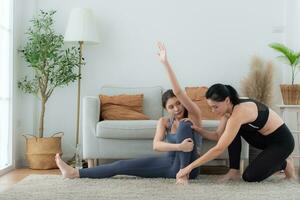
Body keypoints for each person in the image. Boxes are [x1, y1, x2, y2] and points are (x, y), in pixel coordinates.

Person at [55, 43, 203, 184]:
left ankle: (184, 175)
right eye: (171, 107)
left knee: (185, 125)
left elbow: (178, 91)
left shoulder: (193, 115)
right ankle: (74, 173)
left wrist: (165, 63)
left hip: (191, 168)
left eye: (178, 103)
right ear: (166, 109)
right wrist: (179, 147)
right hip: (169, 165)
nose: (176, 108)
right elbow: (156, 145)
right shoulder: (164, 122)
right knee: (121, 165)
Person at [176, 83, 296, 182]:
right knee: (231, 130)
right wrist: (197, 129)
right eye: (211, 107)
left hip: (282, 142)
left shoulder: (239, 112)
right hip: (263, 140)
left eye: (215, 107)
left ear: (227, 100)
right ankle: (234, 171)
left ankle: (284, 162)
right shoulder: (228, 112)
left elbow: (218, 149)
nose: (213, 111)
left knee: (250, 177)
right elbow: (218, 136)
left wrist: (188, 168)